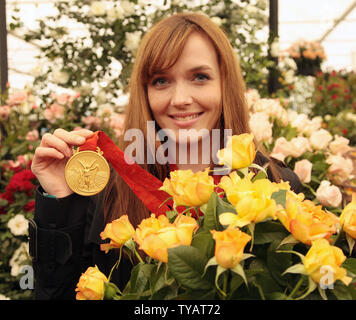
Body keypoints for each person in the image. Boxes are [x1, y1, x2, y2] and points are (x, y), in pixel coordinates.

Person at [29, 12, 302, 300]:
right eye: (161, 81)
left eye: (200, 77)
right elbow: (56, 293)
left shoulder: (277, 185)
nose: (180, 99)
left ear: (225, 84)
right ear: (144, 92)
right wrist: (59, 204)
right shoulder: (110, 193)